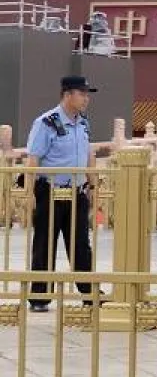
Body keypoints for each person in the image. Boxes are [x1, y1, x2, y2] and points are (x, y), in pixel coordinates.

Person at [23, 75, 99, 312]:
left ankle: (89, 292)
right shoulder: (46, 122)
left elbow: (88, 156)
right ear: (67, 95)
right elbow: (33, 159)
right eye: (82, 94)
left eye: (87, 94)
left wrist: (93, 185)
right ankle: (39, 295)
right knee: (45, 242)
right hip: (50, 190)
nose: (86, 99)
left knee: (80, 244)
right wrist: (29, 194)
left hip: (76, 191)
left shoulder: (83, 122)